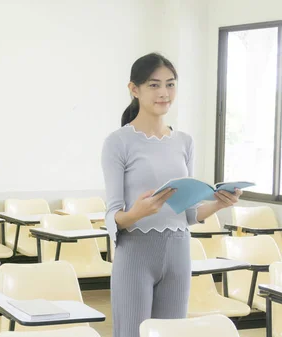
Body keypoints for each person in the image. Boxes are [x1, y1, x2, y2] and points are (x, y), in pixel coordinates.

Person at [101, 53, 242, 337]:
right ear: (134, 89)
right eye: (154, 85)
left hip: (179, 253)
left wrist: (217, 203)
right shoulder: (118, 142)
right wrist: (137, 212)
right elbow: (112, 215)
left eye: (170, 84)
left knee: (173, 334)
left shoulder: (185, 142)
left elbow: (188, 214)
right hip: (135, 254)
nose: (164, 93)